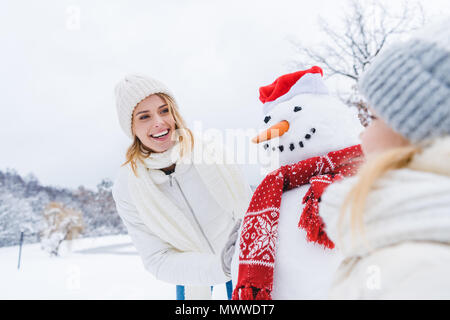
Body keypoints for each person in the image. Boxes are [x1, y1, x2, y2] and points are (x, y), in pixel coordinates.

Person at [319, 19, 450, 299]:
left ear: (420, 130)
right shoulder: (401, 241)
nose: (362, 136)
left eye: (372, 118)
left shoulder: (421, 269)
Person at [112, 74, 252, 300]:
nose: (159, 121)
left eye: (164, 110)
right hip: (189, 273)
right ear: (132, 128)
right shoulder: (128, 186)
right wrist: (218, 266)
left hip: (241, 257)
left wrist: (239, 255)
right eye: (144, 116)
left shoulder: (211, 152)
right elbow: (157, 257)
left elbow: (248, 208)